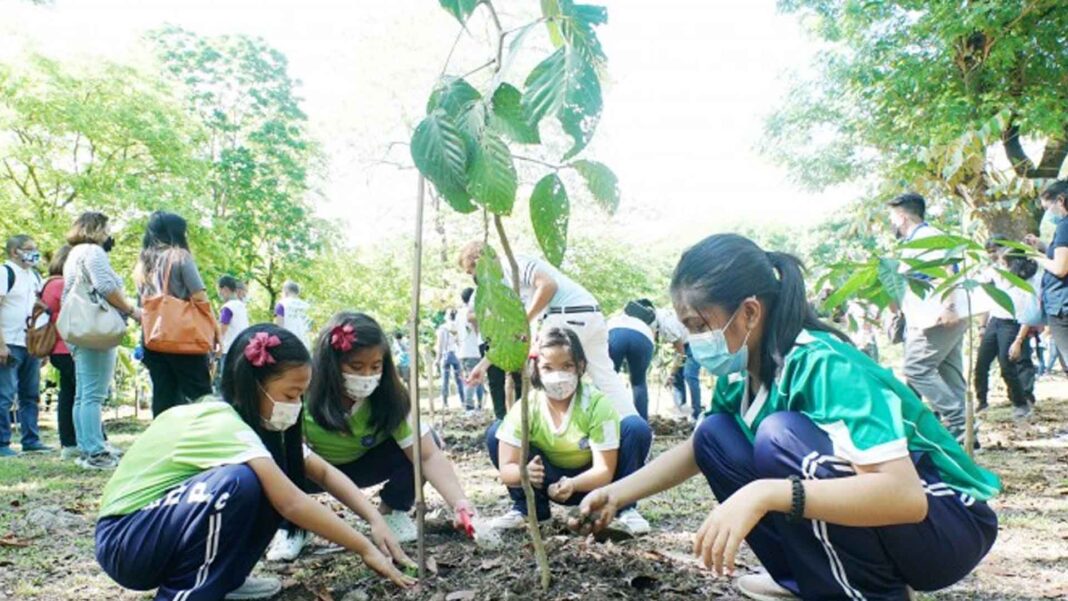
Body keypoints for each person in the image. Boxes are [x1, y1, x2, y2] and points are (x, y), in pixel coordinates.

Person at [572, 233, 1000, 601]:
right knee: (714, 435)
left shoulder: (824, 364)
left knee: (781, 437)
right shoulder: (742, 377)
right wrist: (617, 493)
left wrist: (766, 494)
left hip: (946, 526)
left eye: (700, 325)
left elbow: (904, 497)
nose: (693, 341)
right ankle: (807, 581)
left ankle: (870, 593)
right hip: (904, 523)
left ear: (750, 313)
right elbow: (697, 452)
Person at [94, 324, 415, 600]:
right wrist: (364, 547)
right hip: (125, 538)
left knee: (266, 480)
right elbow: (292, 503)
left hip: (155, 531)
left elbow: (325, 473)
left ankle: (224, 580)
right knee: (238, 484)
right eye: (290, 395)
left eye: (302, 395)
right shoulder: (220, 421)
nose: (297, 405)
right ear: (252, 385)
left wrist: (375, 519)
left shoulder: (256, 431)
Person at [266, 312, 477, 561]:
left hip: (365, 466)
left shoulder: (390, 399)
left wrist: (459, 502)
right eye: (356, 367)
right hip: (311, 471)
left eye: (375, 367)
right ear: (331, 364)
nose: (366, 376)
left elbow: (428, 456)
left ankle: (393, 510)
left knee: (427, 440)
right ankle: (292, 526)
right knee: (277, 455)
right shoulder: (302, 394)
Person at [458, 241, 650, 433]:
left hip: (567, 314)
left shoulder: (512, 264)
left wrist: (524, 320)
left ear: (480, 261)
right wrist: (483, 365)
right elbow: (515, 336)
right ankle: (637, 432)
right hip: (590, 313)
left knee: (547, 374)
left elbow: (548, 285)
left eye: (471, 271)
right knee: (606, 378)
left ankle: (559, 434)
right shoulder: (505, 285)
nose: (474, 277)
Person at [486, 327, 651, 535]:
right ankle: (530, 509)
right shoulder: (527, 407)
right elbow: (507, 469)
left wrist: (573, 484)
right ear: (536, 369)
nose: (558, 376)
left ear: (580, 366)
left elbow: (604, 471)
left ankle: (623, 507)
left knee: (635, 428)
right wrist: (524, 473)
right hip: (545, 478)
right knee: (496, 432)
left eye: (566, 366)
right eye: (548, 368)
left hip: (592, 484)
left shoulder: (596, 404)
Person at [889, 193, 969, 444]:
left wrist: (949, 306)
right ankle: (966, 431)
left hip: (938, 316)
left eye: (892, 216)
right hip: (938, 314)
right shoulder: (914, 241)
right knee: (949, 372)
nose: (891, 222)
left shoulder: (926, 238)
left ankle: (956, 422)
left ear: (901, 216)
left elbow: (949, 270)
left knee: (916, 368)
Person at [63, 214, 139, 469]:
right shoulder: (94, 252)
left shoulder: (73, 253)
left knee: (83, 394)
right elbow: (105, 286)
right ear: (96, 229)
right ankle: (96, 452)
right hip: (96, 328)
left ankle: (87, 447)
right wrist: (132, 310)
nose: (109, 234)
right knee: (93, 394)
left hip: (78, 327)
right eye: (107, 228)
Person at [135, 211, 215, 418]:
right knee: (200, 393)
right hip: (183, 336)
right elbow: (199, 296)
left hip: (152, 337)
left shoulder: (143, 264)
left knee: (163, 394)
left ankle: (162, 441)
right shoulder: (180, 257)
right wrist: (213, 328)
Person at [0, 234, 52, 457]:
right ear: (15, 252)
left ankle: (31, 439)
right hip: (9, 342)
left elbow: (39, 310)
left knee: (30, 394)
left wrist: (43, 347)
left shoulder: (35, 276)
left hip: (30, 344)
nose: (35, 252)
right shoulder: (5, 272)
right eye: (29, 249)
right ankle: (2, 443)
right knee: (5, 395)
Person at [975, 243, 1039, 419]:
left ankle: (1020, 403)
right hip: (995, 321)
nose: (1001, 265)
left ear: (1013, 263)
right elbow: (980, 281)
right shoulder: (997, 273)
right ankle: (981, 402)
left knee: (1007, 365)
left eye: (1004, 262)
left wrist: (1018, 341)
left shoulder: (1026, 281)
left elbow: (1029, 313)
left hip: (1013, 324)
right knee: (981, 363)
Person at [41, 245, 78, 459]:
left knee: (68, 394)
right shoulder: (62, 284)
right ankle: (86, 439)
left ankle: (69, 442)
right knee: (83, 395)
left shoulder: (47, 284)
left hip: (56, 347)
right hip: (68, 346)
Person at [1028, 180, 1068, 374]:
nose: (1049, 214)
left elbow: (1061, 268)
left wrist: (1036, 257)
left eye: (1048, 207)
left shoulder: (1065, 226)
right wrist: (1043, 247)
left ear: (1060, 200)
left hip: (1062, 305)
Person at [607, 299, 657, 420]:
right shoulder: (647, 323)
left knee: (607, 378)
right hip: (644, 336)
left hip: (614, 332)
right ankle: (643, 424)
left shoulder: (617, 317)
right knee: (639, 383)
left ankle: (603, 420)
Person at [658, 307, 701, 420]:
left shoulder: (666, 326)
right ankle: (682, 410)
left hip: (694, 341)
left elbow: (681, 354)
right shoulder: (661, 316)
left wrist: (671, 374)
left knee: (689, 375)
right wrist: (674, 374)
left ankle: (696, 414)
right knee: (678, 376)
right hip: (685, 343)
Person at [216, 275, 250, 392]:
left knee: (227, 382)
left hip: (229, 349)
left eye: (219, 291)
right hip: (243, 347)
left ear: (224, 289)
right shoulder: (242, 306)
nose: (219, 294)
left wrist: (215, 347)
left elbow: (222, 330)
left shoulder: (228, 308)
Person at [458, 288, 485, 413]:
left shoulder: (458, 313)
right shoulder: (473, 312)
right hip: (473, 350)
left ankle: (479, 405)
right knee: (473, 379)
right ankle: (469, 406)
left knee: (474, 378)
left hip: (463, 351)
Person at [435, 310, 465, 409]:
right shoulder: (458, 327)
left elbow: (440, 345)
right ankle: (463, 400)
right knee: (459, 379)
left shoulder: (443, 328)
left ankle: (445, 402)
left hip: (446, 355)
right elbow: (460, 342)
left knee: (445, 380)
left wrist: (437, 359)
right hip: (456, 355)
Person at [274, 280, 312, 349]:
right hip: (304, 343)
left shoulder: (281, 304)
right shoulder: (307, 306)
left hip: (288, 342)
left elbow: (279, 327)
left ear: (285, 292)